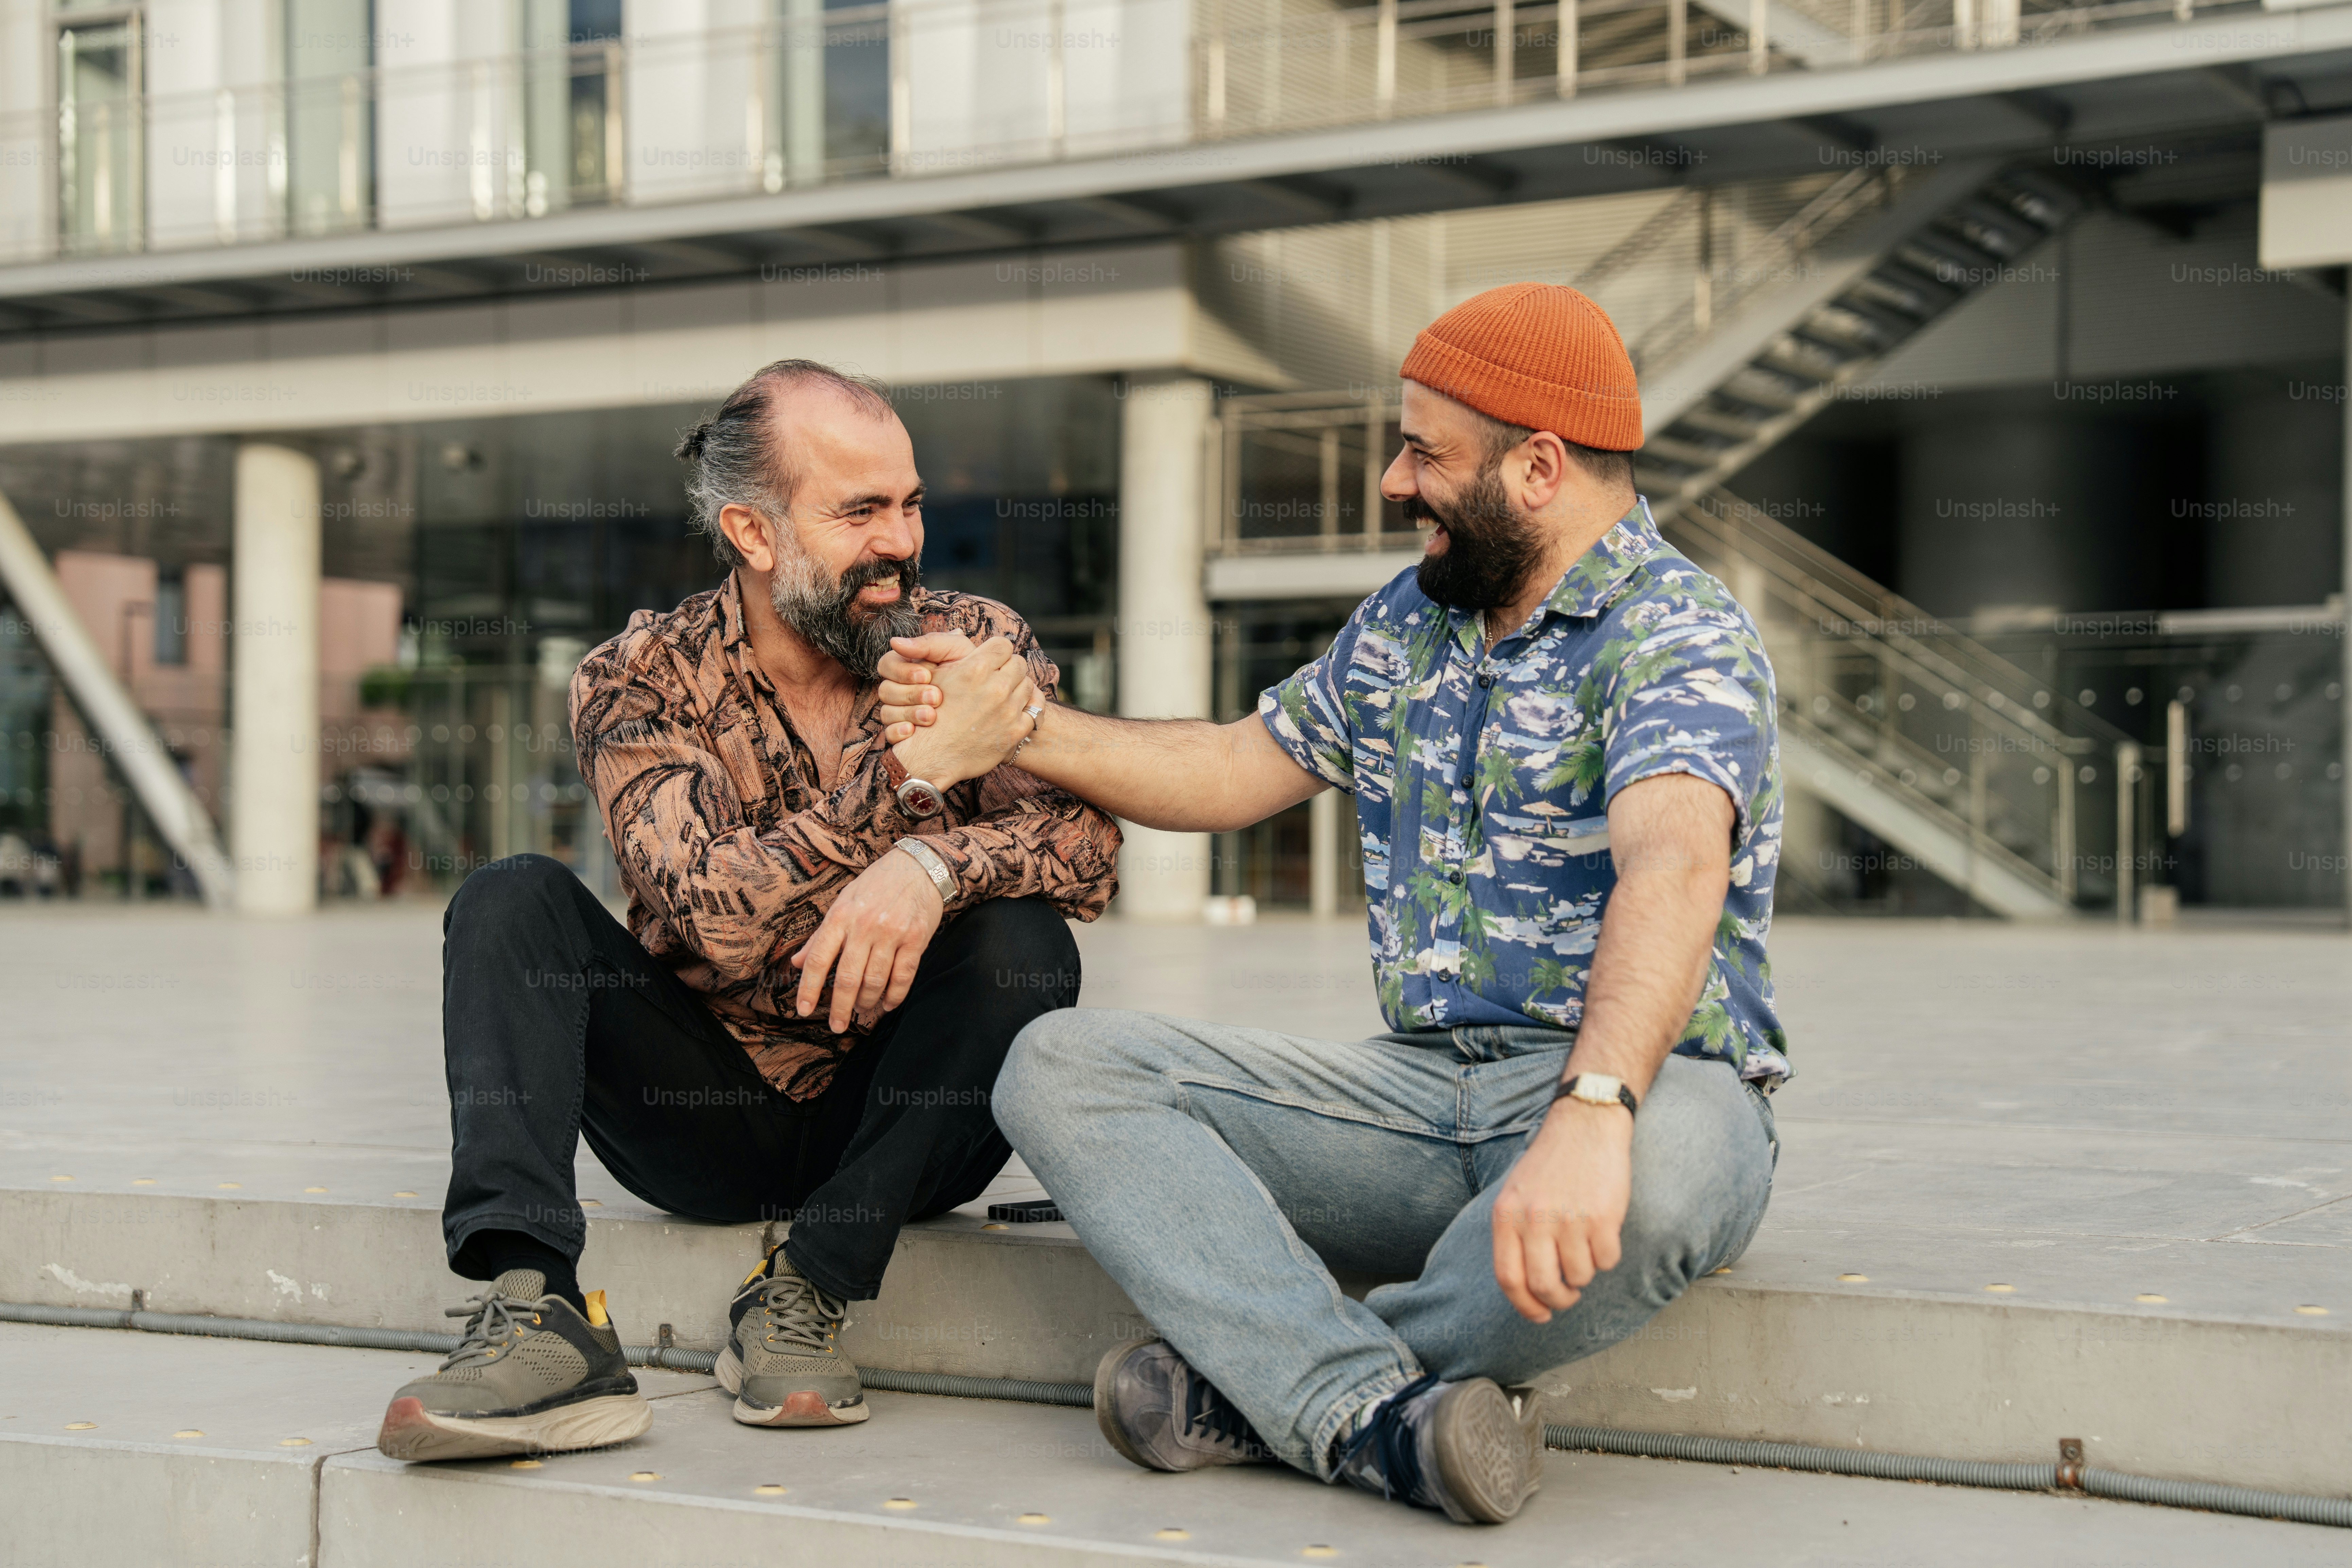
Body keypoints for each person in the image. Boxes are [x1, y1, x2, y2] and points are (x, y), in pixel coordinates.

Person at [874, 284, 1789, 1526]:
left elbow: (1673, 866)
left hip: (1634, 1089)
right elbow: (1229, 768)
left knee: (1669, 1171)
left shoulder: (1679, 636)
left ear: (1537, 466)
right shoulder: (1410, 624)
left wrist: (1588, 1110)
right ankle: (1378, 1412)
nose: (1392, 481)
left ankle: (1290, 1390)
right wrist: (1017, 726)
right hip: (1416, 1097)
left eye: (1425, 452)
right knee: (1061, 1066)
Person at [375, 360, 1120, 1462]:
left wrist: (926, 870)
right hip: (702, 1112)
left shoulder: (971, 646)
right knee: (508, 900)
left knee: (1023, 942)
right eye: (860, 510)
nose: (902, 541)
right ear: (753, 534)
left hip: (906, 1117)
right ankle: (534, 1307)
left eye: (910, 503)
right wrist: (915, 790)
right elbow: (716, 917)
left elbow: (1088, 852)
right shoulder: (638, 677)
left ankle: (806, 1290)